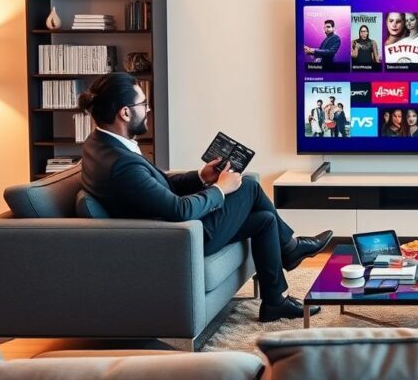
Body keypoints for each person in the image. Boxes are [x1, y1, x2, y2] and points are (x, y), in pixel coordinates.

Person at [77, 74, 334, 322]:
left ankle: (274, 301)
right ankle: (290, 248)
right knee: (248, 187)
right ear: (125, 113)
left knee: (265, 220)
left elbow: (160, 185)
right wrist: (220, 188)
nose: (149, 109)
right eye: (143, 104)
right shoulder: (122, 165)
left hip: (173, 231)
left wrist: (202, 176)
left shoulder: (101, 144)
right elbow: (179, 210)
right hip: (179, 239)